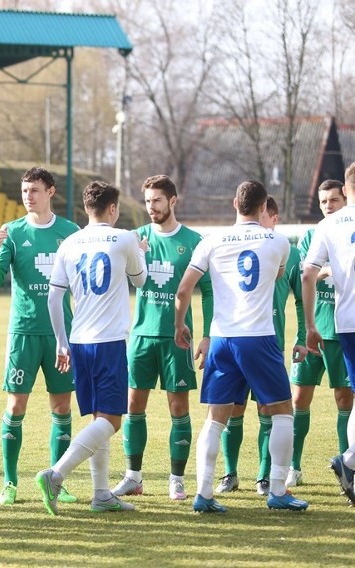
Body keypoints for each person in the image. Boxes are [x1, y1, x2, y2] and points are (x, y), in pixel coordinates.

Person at [175, 179, 308, 513]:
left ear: (235, 203)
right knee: (282, 413)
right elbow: (276, 277)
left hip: (221, 338)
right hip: (259, 337)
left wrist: (180, 325)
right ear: (264, 207)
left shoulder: (211, 240)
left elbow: (184, 290)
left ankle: (204, 494)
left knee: (215, 418)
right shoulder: (279, 242)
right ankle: (277, 490)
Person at [34, 181, 147, 515]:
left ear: (86, 208)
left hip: (80, 341)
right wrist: (139, 250)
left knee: (100, 416)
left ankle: (101, 494)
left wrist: (61, 340)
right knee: (111, 421)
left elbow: (54, 296)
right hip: (109, 341)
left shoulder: (69, 242)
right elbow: (140, 280)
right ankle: (56, 474)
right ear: (113, 209)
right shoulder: (124, 238)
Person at [112, 175, 212, 502]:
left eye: (157, 200)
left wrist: (208, 334)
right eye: (147, 201)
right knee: (132, 405)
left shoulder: (194, 241)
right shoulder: (135, 238)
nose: (150, 207)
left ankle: (177, 479)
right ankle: (133, 477)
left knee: (178, 406)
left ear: (173, 201)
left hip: (176, 338)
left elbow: (209, 293)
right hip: (141, 335)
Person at [0, 167, 80, 506]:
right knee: (16, 405)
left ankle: (59, 480)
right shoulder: (11, 232)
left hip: (59, 335)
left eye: (35, 190)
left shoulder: (70, 232)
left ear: (50, 191)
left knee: (61, 406)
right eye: (25, 190)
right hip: (23, 333)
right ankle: (9, 483)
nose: (28, 196)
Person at [216, 196, 306, 496]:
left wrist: (303, 335)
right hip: (237, 341)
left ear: (274, 218)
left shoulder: (285, 251)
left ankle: (264, 476)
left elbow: (303, 298)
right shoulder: (235, 246)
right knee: (234, 410)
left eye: (265, 215)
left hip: (269, 343)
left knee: (269, 410)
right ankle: (229, 473)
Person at [288, 179, 352, 488]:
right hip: (311, 331)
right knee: (299, 399)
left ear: (345, 200)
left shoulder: (348, 232)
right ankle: (294, 466)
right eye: (324, 201)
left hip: (340, 333)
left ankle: (347, 466)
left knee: (344, 398)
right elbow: (304, 276)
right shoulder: (310, 236)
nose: (328, 205)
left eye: (334, 200)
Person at [303, 163, 355, 505]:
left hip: (346, 321)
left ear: (346, 190)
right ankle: (348, 460)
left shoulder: (329, 224)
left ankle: (350, 462)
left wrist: (309, 324)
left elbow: (307, 275)